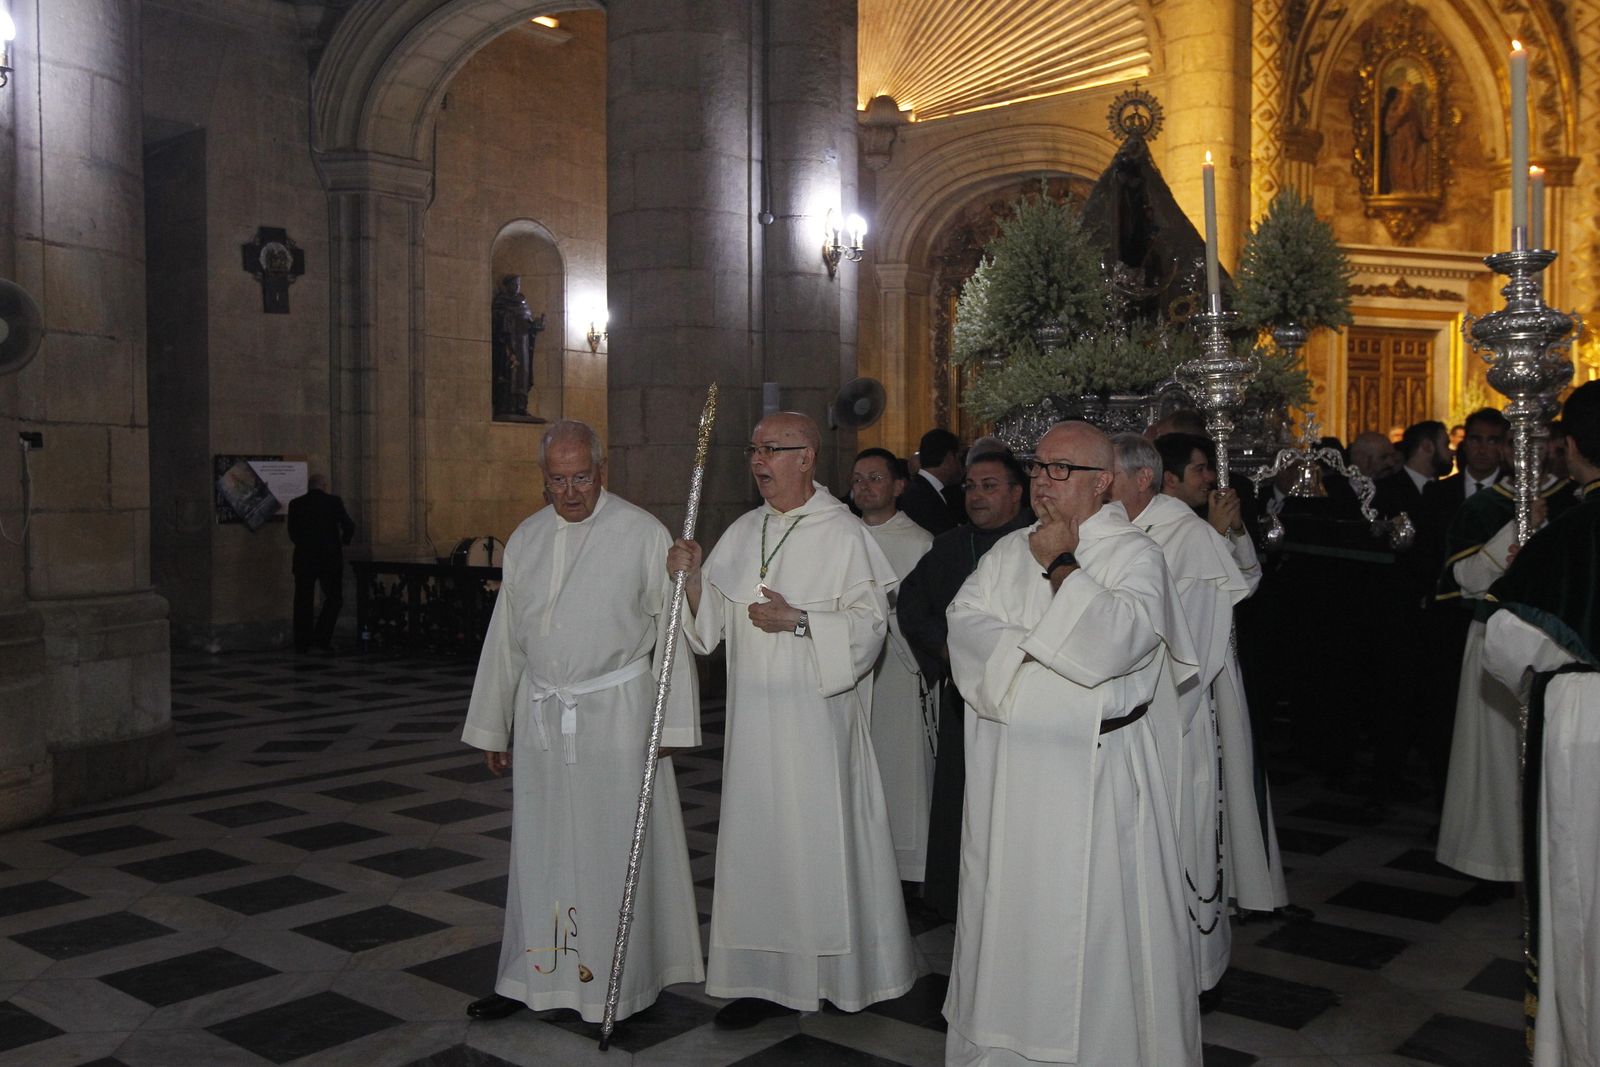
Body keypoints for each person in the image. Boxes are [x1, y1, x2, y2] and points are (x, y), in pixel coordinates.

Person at [944, 421, 1201, 1066]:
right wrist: (1044, 656)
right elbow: (964, 626)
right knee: (1009, 919)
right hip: (1011, 771)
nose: (1042, 481)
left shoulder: (1136, 556)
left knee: (1096, 929)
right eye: (1038, 467)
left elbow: (1113, 642)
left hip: (1096, 774)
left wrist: (1061, 566)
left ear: (1102, 481)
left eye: (1060, 469)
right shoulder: (1008, 552)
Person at [667, 412, 915, 1028]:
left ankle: (834, 977)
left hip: (818, 729)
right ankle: (763, 980)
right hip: (755, 730)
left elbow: (870, 630)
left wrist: (801, 621)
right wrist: (692, 579)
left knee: (819, 847)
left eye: (771, 449)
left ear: (805, 457)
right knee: (761, 850)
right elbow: (708, 631)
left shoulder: (843, 533)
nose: (758, 460)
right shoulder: (743, 531)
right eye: (753, 449)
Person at [459, 420, 703, 1024]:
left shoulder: (641, 531)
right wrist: (493, 723)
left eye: (582, 478)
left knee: (610, 853)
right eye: (558, 480)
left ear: (601, 471)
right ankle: (537, 977)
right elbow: (506, 638)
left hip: (617, 716)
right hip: (543, 717)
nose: (570, 493)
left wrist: (670, 725)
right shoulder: (527, 537)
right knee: (542, 853)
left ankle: (621, 983)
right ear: (543, 479)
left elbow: (671, 629)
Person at [1110, 434, 1286, 992]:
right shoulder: (1127, 529)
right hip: (1137, 707)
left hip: (1179, 706)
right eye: (1200, 469)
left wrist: (1222, 534)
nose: (1210, 479)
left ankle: (1188, 965)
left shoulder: (1185, 533)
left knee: (1186, 824)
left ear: (1145, 479)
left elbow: (1202, 618)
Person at [1481, 380, 1600, 1067]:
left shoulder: (1571, 534)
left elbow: (1507, 644)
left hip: (1587, 722)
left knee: (1582, 889)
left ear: (1573, 446)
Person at [1435, 434, 1577, 894]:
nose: (1529, 452)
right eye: (1516, 444)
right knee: (1492, 759)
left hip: (1559, 646)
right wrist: (1515, 530)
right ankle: (1492, 863)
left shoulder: (1574, 500)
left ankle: (1553, 864)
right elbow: (1465, 578)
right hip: (1494, 640)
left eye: (1541, 443)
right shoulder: (1482, 507)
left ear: (1558, 447)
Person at [896, 449, 1032, 922]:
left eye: (989, 486)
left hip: (1026, 705)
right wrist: (946, 650)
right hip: (967, 701)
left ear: (1017, 492)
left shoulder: (1042, 544)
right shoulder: (951, 546)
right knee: (962, 796)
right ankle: (958, 900)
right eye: (971, 486)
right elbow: (911, 604)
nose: (976, 496)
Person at [850, 447, 936, 882]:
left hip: (898, 672)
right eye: (857, 479)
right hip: (849, 672)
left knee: (900, 767)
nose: (864, 487)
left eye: (875, 478)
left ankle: (906, 869)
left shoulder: (919, 542)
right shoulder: (841, 537)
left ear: (899, 486)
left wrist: (887, 609)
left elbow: (927, 615)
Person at [287, 473, 355, 654]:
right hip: (329, 558)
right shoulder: (333, 502)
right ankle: (322, 638)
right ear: (324, 486)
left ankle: (302, 643)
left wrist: (304, 545)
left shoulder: (296, 503)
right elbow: (349, 525)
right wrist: (344, 542)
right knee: (334, 599)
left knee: (303, 601)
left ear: (309, 486)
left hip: (304, 559)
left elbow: (292, 532)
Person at [900, 427, 966, 535]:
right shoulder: (918, 496)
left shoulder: (923, 490)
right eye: (959, 458)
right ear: (950, 457)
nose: (961, 466)